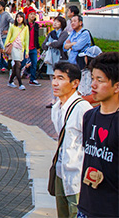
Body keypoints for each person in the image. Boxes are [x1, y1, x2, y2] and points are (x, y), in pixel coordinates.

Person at [78, 52, 119, 218]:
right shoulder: (89, 116)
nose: (93, 85)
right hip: (86, 207)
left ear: (116, 86)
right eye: (92, 78)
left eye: (100, 80)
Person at [50, 62, 92, 217]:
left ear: (75, 83)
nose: (55, 82)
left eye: (61, 78)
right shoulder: (57, 108)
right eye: (54, 77)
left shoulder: (83, 109)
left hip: (77, 178)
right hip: (61, 173)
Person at [6, 12, 29, 90]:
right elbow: (9, 36)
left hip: (20, 48)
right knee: (18, 64)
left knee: (16, 66)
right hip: (13, 47)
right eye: (18, 17)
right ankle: (20, 83)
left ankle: (11, 80)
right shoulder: (13, 26)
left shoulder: (25, 27)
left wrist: (27, 51)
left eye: (21, 17)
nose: (19, 18)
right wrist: (6, 45)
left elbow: (27, 39)